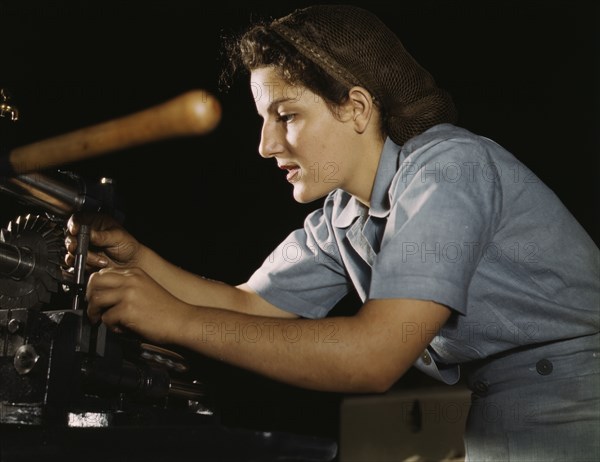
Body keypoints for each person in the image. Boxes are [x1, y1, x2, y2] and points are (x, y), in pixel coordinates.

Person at [65, 4, 599, 461]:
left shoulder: (449, 170)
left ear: (357, 107)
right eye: (262, 119)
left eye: (287, 115)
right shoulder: (344, 217)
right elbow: (247, 306)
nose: (266, 145)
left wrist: (177, 321)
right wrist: (137, 262)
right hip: (497, 414)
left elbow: (373, 357)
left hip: (577, 410)